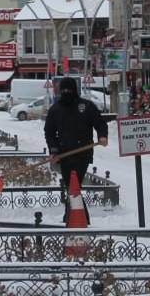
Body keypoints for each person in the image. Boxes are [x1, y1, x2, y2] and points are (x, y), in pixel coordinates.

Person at [44, 77, 108, 224]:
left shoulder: (86, 106)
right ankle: (76, 217)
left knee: (74, 185)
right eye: (64, 90)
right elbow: (49, 132)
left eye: (69, 90)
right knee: (72, 186)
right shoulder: (56, 109)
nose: (67, 92)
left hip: (82, 154)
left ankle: (73, 217)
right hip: (64, 155)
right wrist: (54, 151)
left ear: (75, 90)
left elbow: (100, 123)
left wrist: (103, 136)